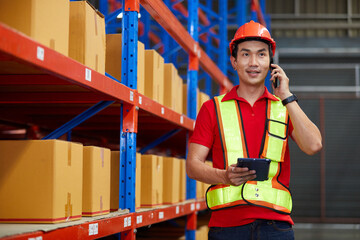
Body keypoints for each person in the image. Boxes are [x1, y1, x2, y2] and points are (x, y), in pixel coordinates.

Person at [186, 20, 322, 240]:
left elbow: (314, 145)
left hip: (276, 227)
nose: (253, 62)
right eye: (245, 54)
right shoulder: (212, 109)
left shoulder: (284, 107)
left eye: (261, 55)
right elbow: (193, 166)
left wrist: (287, 97)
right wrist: (224, 176)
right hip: (226, 227)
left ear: (270, 62)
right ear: (234, 61)